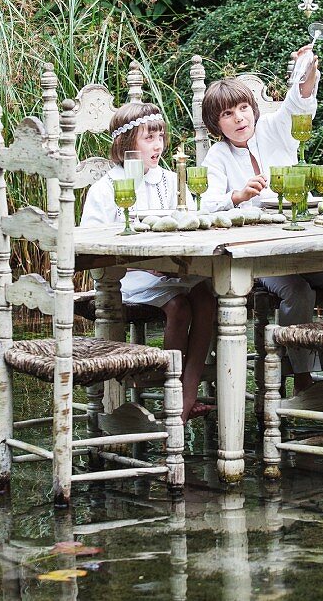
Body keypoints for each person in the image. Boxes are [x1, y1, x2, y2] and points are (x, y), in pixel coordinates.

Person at [201, 45, 323, 393]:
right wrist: (236, 196)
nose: (239, 118)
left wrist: (308, 67)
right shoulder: (218, 157)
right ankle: (301, 375)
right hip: (264, 258)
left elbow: (299, 101)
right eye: (227, 114)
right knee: (298, 291)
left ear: (253, 110)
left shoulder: (274, 128)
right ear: (216, 124)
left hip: (302, 242)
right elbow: (205, 207)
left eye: (243, 109)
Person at [82, 102, 215, 421]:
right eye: (149, 138)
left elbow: (185, 222)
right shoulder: (106, 188)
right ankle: (171, 393)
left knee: (208, 297)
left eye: (160, 136)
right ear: (126, 144)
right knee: (180, 306)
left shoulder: (169, 180)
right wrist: (143, 263)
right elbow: (90, 243)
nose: (158, 145)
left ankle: (189, 389)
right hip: (127, 276)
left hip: (171, 271)